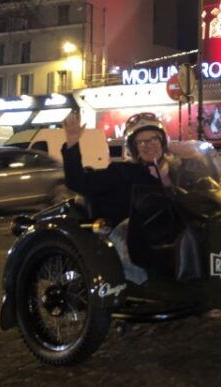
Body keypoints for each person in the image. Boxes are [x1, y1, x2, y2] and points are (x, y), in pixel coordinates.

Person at [62, 111, 180, 281]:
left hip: (174, 235)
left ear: (162, 142)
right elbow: (78, 182)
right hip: (136, 240)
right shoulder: (123, 172)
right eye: (141, 142)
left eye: (153, 139)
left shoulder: (178, 171)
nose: (148, 145)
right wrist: (72, 143)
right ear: (133, 148)